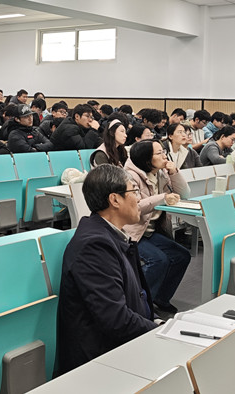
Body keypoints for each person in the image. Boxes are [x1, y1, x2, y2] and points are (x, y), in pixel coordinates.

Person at [58, 164, 157, 372]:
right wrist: (158, 330)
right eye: (134, 191)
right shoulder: (94, 245)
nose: (139, 198)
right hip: (101, 362)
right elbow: (116, 319)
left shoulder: (110, 235)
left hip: (124, 345)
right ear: (115, 199)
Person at [123, 140, 190, 315]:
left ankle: (160, 298)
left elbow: (185, 194)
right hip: (132, 232)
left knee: (182, 256)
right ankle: (138, 304)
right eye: (159, 153)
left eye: (164, 152)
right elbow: (135, 207)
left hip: (150, 230)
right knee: (158, 260)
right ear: (147, 159)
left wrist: (174, 172)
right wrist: (162, 198)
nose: (164, 156)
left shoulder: (160, 173)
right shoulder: (129, 176)